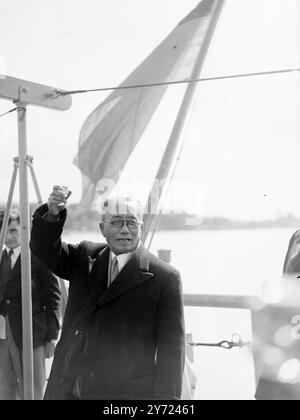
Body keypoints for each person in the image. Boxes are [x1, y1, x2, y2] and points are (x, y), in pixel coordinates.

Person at [30, 186, 185, 400]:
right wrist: (52, 214)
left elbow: (172, 353)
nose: (125, 230)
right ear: (102, 228)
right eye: (116, 222)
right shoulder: (84, 256)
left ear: (141, 227)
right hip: (66, 388)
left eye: (132, 222)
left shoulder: (165, 277)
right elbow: (43, 249)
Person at [0, 209, 61, 400]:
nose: (9, 236)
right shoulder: (1, 258)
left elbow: (54, 297)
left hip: (32, 333)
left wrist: (52, 338)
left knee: (33, 388)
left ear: (23, 230)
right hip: (4, 334)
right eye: (4, 231)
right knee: (6, 387)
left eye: (13, 230)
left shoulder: (36, 256)